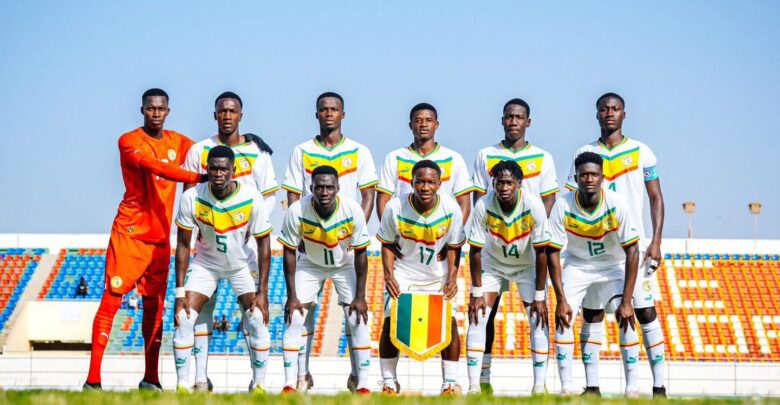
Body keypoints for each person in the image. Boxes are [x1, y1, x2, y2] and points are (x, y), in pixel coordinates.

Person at [83, 88, 206, 392]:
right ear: (142, 110)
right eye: (151, 108)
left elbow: (207, 152)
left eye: (161, 109)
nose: (156, 113)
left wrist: (242, 145)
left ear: (168, 111)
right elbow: (156, 166)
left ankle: (151, 379)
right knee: (112, 300)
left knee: (154, 307)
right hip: (130, 234)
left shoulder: (178, 141)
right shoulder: (129, 141)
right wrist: (196, 177)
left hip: (160, 238)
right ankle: (93, 380)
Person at [564, 93, 666, 397]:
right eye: (604, 109)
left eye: (615, 109)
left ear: (624, 114)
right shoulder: (584, 153)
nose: (609, 113)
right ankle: (592, 387)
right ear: (596, 114)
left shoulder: (641, 151)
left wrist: (656, 240)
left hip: (632, 248)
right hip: (592, 251)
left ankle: (658, 387)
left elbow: (656, 197)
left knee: (643, 312)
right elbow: (569, 199)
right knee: (592, 313)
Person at [282, 92, 378, 391]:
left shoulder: (359, 151)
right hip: (310, 248)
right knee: (299, 314)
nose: (329, 113)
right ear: (316, 114)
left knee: (357, 315)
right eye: (323, 109)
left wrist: (353, 234)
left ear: (343, 114)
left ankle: (360, 381)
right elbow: (293, 193)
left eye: (334, 109)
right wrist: (300, 232)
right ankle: (299, 377)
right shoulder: (301, 151)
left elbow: (368, 194)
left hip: (345, 250)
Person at [183, 91, 278, 392]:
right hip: (208, 245)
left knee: (254, 315)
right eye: (222, 111)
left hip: (244, 245)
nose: (227, 116)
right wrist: (196, 233)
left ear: (241, 115)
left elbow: (269, 195)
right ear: (215, 115)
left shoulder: (257, 151)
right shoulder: (199, 150)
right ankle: (200, 380)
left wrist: (251, 226)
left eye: (232, 111)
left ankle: (257, 383)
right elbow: (189, 194)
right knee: (200, 311)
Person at [469, 99, 559, 391]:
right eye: (508, 116)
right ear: (502, 120)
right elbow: (479, 196)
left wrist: (529, 230)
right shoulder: (485, 154)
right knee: (483, 315)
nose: (513, 121)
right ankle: (480, 382)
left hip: (527, 253)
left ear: (528, 122)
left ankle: (540, 387)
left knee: (538, 316)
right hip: (495, 251)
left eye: (519, 117)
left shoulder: (543, 157)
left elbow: (548, 199)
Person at [172, 145, 272, 394]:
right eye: (214, 169)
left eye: (224, 169)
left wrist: (263, 291)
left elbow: (264, 245)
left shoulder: (251, 198)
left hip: (241, 265)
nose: (218, 174)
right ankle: (183, 385)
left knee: (257, 317)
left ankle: (259, 385)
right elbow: (183, 245)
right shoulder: (192, 197)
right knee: (184, 317)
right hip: (206, 264)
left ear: (233, 170)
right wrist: (179, 292)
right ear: (207, 169)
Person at [548, 152, 641, 396]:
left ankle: (632, 390)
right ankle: (566, 388)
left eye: (594, 174)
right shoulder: (562, 205)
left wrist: (627, 301)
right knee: (564, 317)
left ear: (602, 177)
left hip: (611, 266)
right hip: (578, 265)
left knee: (626, 317)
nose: (589, 179)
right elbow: (552, 252)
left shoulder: (616, 203)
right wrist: (560, 299)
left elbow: (633, 251)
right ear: (576, 178)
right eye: (584, 175)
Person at [278, 165, 372, 394]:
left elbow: (361, 253)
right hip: (310, 264)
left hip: (344, 264)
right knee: (295, 317)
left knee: (357, 317)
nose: (324, 192)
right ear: (311, 188)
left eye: (329, 187)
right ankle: (292, 381)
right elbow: (288, 251)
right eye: (319, 187)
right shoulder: (297, 210)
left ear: (338, 188)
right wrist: (291, 296)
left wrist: (360, 296)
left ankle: (362, 383)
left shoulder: (352, 209)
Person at [377, 160, 465, 396]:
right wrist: (388, 275)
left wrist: (452, 277)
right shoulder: (395, 207)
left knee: (450, 323)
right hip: (404, 273)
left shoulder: (451, 209)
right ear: (411, 182)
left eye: (430, 182)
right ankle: (388, 382)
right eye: (420, 182)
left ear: (439, 184)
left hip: (438, 275)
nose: (425, 187)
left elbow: (455, 246)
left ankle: (449, 384)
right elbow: (386, 243)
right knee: (390, 320)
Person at [465, 160, 550, 395]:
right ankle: (474, 386)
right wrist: (476, 292)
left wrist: (540, 297)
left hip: (526, 266)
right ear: (493, 183)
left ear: (519, 183)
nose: (504, 187)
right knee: (477, 317)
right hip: (493, 265)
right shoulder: (483, 204)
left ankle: (539, 387)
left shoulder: (533, 205)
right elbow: (474, 249)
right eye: (499, 182)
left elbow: (542, 251)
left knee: (538, 319)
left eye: (509, 183)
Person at [376, 102, 473, 221]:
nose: (423, 124)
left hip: (442, 228)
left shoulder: (453, 158)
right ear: (410, 125)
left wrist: (454, 231)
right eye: (418, 120)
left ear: (436, 124)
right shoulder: (394, 157)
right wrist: (388, 230)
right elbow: (383, 200)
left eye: (429, 120)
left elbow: (464, 203)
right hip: (405, 227)